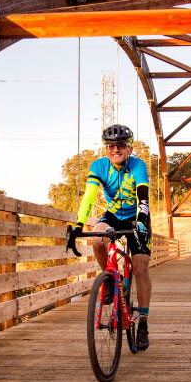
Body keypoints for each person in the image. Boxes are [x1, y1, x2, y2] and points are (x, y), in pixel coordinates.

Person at [72, 124, 153, 350]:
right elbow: (89, 196)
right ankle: (109, 280)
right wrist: (79, 223)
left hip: (136, 216)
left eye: (120, 145)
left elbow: (143, 197)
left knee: (140, 268)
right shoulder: (99, 166)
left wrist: (141, 223)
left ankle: (144, 324)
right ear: (106, 148)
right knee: (97, 238)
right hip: (113, 215)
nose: (115, 149)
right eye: (110, 146)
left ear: (129, 147)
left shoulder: (138, 165)